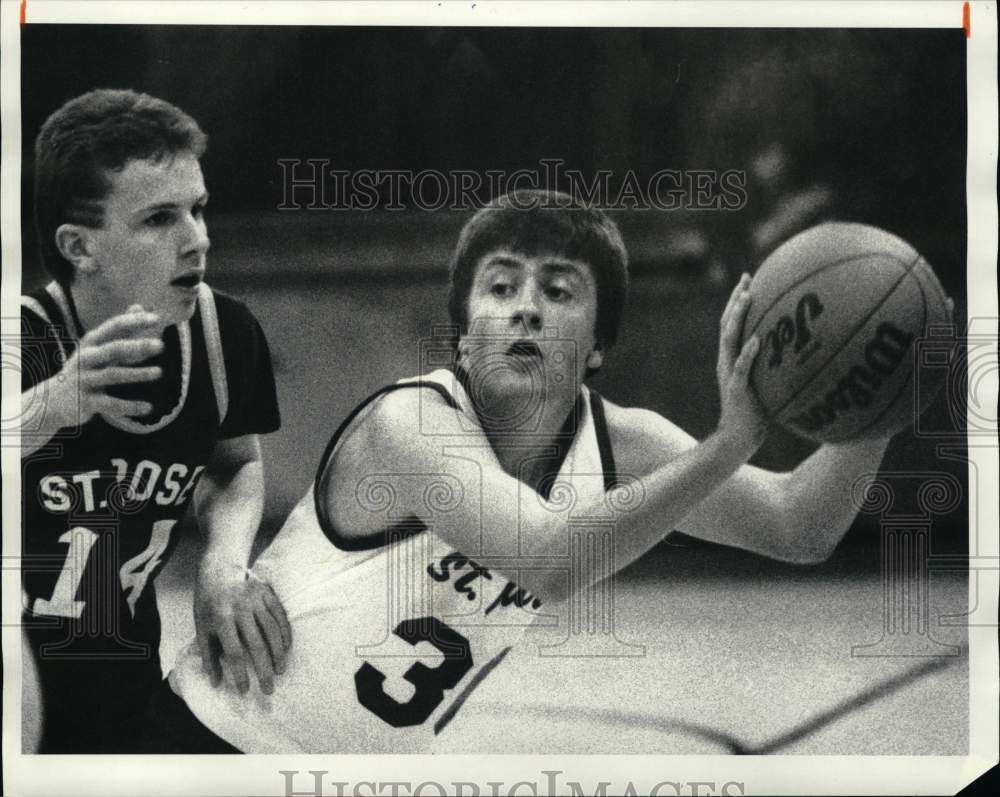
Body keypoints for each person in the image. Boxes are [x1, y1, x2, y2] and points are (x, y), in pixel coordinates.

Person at [157, 189, 895, 753]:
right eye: (501, 287)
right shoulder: (408, 425)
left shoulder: (618, 445)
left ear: (599, 346)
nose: (526, 310)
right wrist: (731, 441)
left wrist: (884, 407)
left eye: (560, 291)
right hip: (204, 750)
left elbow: (800, 524)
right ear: (464, 328)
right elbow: (548, 558)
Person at [20, 89, 290, 753]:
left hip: (125, 674)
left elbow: (237, 465)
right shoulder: (21, 339)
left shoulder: (225, 335)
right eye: (159, 218)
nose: (198, 238)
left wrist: (222, 564)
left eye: (197, 209)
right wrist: (51, 404)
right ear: (80, 246)